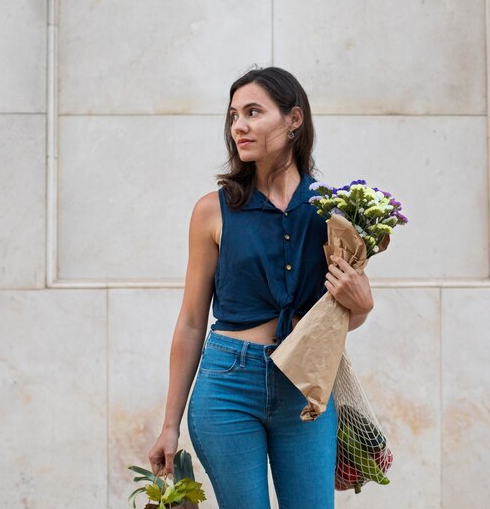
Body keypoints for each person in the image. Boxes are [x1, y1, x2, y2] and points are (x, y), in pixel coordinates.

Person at [148, 66, 376, 508]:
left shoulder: (333, 211)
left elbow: (341, 314)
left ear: (294, 120)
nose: (239, 126)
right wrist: (169, 425)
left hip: (305, 386)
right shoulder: (212, 211)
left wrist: (363, 305)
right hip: (228, 385)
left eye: (253, 112)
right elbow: (193, 321)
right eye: (234, 115)